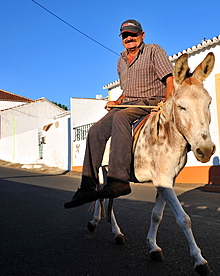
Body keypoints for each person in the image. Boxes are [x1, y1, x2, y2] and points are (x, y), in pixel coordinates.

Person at [64, 19, 174, 209]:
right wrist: (118, 100)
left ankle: (119, 180)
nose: (129, 38)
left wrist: (168, 104)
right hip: (127, 103)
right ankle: (87, 186)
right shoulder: (121, 59)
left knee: (121, 118)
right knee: (96, 130)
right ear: (122, 38)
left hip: (149, 101)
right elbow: (127, 90)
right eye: (125, 35)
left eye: (133, 34)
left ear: (142, 35)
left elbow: (170, 79)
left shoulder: (154, 50)